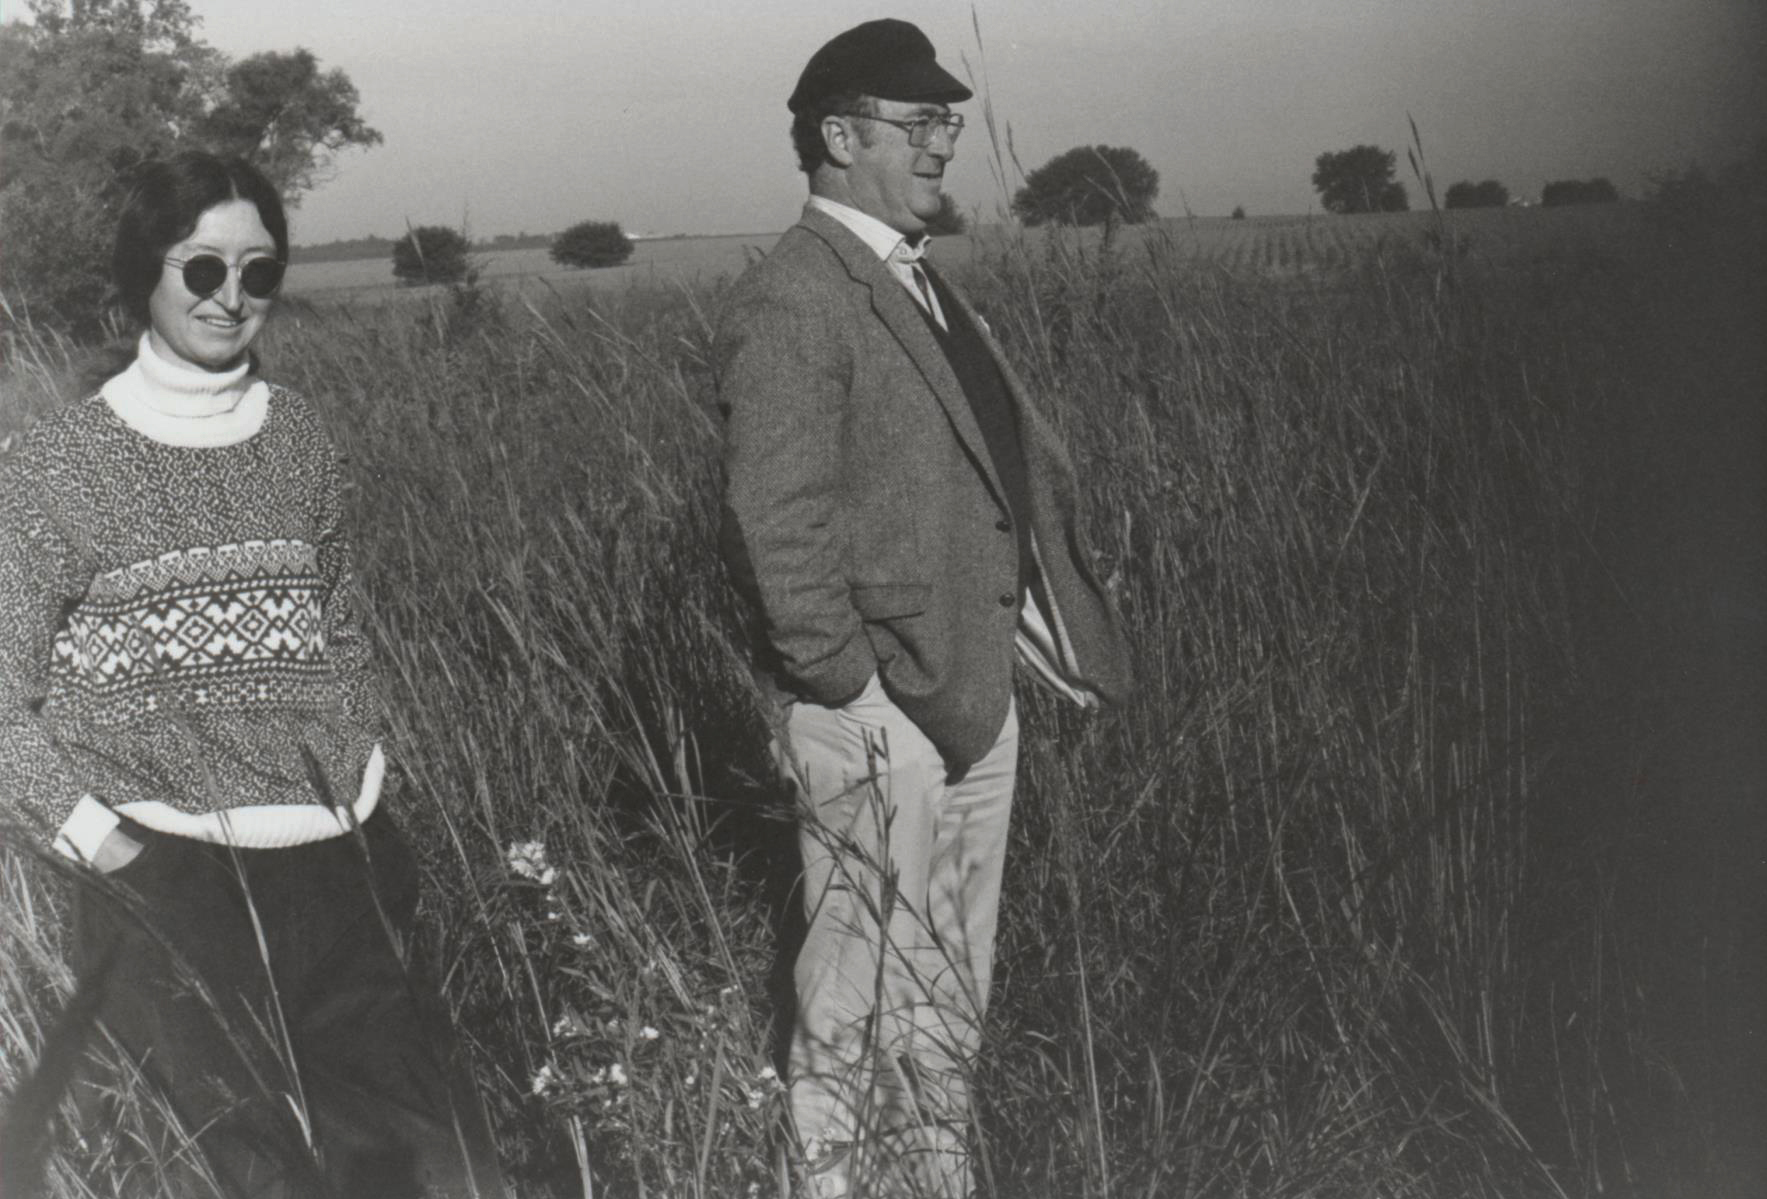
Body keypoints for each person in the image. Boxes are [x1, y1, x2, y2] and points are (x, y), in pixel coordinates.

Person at [0, 152, 505, 1198]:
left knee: (436, 1167)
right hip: (170, 883)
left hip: (340, 867)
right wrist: (108, 844)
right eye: (201, 270)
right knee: (257, 1176)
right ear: (147, 273)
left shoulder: (303, 442)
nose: (232, 297)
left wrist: (365, 778)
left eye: (259, 270)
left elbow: (342, 631)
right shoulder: (55, 467)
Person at [715, 20, 1134, 1198]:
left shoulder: (917, 280)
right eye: (919, 123)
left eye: (948, 120)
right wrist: (850, 689)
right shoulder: (799, 296)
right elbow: (776, 522)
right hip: (874, 711)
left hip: (971, 697)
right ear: (839, 138)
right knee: (847, 997)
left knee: (950, 981)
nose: (945, 142)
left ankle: (933, 1180)